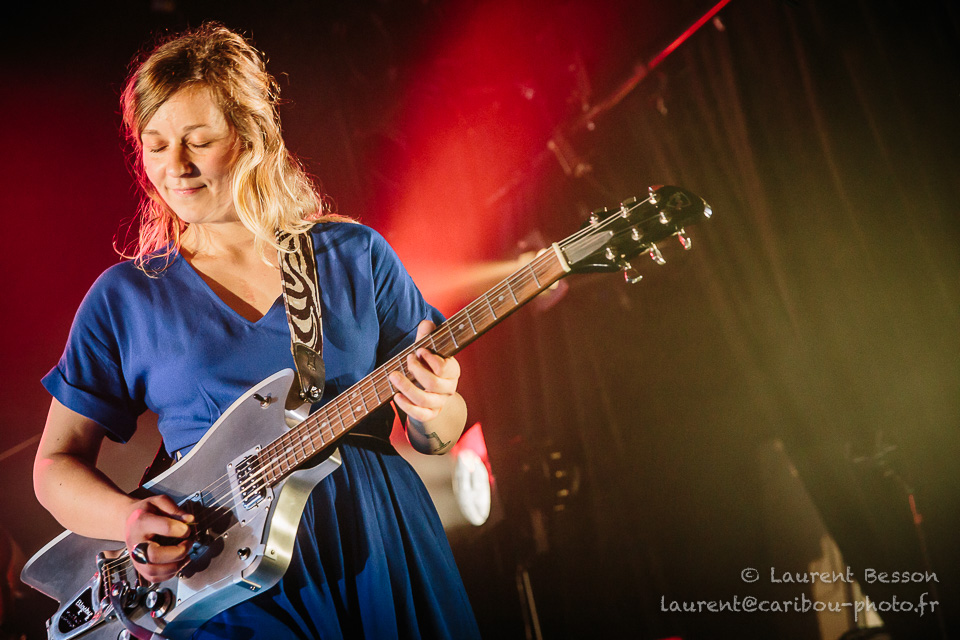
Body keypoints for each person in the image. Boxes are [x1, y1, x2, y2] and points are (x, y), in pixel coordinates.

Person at [33, 22, 481, 639]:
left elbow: (438, 435)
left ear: (251, 137)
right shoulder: (127, 297)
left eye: (199, 141)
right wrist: (129, 518)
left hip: (376, 536)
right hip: (224, 576)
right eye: (155, 145)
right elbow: (54, 466)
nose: (175, 166)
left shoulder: (354, 255)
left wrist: (436, 406)